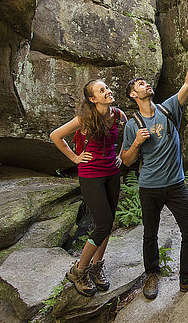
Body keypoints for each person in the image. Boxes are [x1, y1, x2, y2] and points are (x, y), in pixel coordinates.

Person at [121, 29, 188, 299]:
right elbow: (125, 160)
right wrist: (135, 145)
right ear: (134, 95)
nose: (146, 85)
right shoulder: (133, 125)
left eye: (146, 82)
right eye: (141, 84)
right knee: (150, 234)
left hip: (175, 185)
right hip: (149, 187)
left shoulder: (168, 109)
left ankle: (187, 278)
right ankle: (152, 275)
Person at [50, 79, 128, 296]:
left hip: (112, 173)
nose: (107, 91)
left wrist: (120, 155)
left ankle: (96, 266)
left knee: (108, 222)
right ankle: (79, 270)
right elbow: (55, 136)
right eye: (101, 90)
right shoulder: (84, 119)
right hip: (91, 175)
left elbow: (127, 136)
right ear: (93, 99)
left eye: (107, 88)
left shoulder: (118, 115)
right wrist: (75, 158)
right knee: (103, 223)